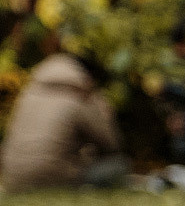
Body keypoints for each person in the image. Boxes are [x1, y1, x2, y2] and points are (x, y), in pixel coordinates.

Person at [3, 51, 126, 192]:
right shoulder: (77, 95)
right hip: (52, 180)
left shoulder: (29, 94)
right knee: (118, 165)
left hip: (14, 179)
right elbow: (110, 144)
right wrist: (102, 110)